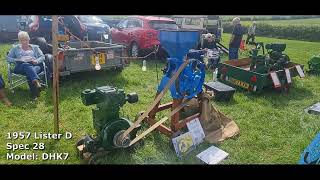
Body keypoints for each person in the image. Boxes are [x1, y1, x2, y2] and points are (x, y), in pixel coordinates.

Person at [7, 31, 46, 100]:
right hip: (20, 66)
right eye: (22, 40)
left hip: (34, 65)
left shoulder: (35, 47)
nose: (24, 42)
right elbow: (8, 58)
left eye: (26, 40)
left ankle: (34, 93)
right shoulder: (15, 48)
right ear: (19, 41)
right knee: (26, 65)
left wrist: (36, 61)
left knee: (30, 72)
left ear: (29, 39)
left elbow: (42, 57)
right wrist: (17, 59)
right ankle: (37, 82)